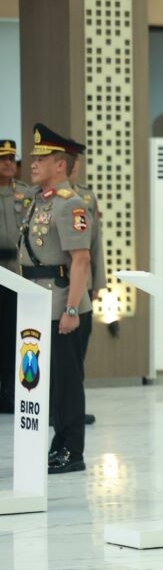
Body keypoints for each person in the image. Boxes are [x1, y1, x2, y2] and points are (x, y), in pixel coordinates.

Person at [18, 124, 92, 473]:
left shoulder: (71, 205)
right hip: (37, 304)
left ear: (60, 165)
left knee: (66, 382)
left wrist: (72, 308)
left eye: (41, 158)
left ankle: (71, 449)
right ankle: (57, 442)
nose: (32, 163)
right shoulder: (38, 200)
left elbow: (80, 260)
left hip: (63, 304)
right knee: (45, 381)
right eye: (33, 157)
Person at [69, 141, 102, 426]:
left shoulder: (86, 199)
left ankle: (74, 407)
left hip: (83, 287)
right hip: (51, 288)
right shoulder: (36, 199)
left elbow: (95, 246)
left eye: (77, 162)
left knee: (78, 351)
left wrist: (98, 283)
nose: (74, 167)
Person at [0, 139, 30, 414]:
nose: (8, 163)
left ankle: (10, 392)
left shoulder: (24, 193)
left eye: (12, 158)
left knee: (13, 335)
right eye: (3, 159)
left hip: (16, 275)